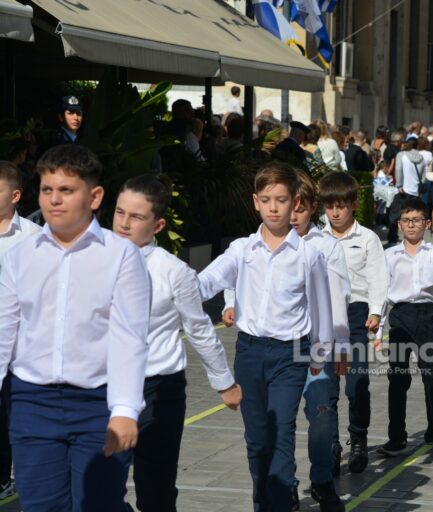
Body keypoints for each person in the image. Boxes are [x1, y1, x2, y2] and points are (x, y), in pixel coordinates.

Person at [0, 144, 151, 509]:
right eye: (47, 190)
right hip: (31, 402)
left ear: (94, 196)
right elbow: (3, 331)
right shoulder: (19, 257)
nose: (54, 200)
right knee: (40, 506)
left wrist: (125, 410)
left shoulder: (121, 256)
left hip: (98, 403)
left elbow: (129, 339)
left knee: (97, 503)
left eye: (66, 190)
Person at [198, 163, 333, 511]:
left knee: (281, 435)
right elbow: (208, 281)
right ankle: (263, 504)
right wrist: (175, 287)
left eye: (282, 200)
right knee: (257, 441)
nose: (274, 208)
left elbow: (321, 307)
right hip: (250, 353)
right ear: (255, 202)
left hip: (291, 356)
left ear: (295, 203)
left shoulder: (309, 254)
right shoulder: (242, 249)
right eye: (267, 200)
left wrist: (319, 357)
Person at [112, 175, 242, 511]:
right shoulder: (92, 260)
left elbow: (198, 328)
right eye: (119, 212)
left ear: (158, 225)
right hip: (104, 388)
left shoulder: (173, 271)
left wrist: (224, 382)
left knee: (155, 490)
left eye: (136, 217)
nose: (124, 224)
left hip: (159, 388)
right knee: (103, 487)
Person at [319, 172, 388, 475]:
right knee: (327, 389)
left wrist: (376, 312)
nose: (335, 213)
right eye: (329, 206)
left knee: (356, 383)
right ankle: (332, 446)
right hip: (325, 319)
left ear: (353, 204)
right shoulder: (315, 239)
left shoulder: (367, 238)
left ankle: (358, 438)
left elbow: (378, 278)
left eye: (341, 206)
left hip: (357, 316)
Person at [376, 198, 433, 456]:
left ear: (426, 224)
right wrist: (378, 331)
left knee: (432, 375)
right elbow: (381, 294)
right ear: (399, 225)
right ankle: (396, 437)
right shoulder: (389, 255)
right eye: (406, 220)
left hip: (426, 316)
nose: (411, 225)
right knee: (398, 377)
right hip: (400, 317)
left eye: (416, 220)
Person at [0, 161, 41, 501]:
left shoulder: (32, 238)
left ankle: (7, 478)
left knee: (9, 415)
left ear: (15, 196)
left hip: (16, 345)